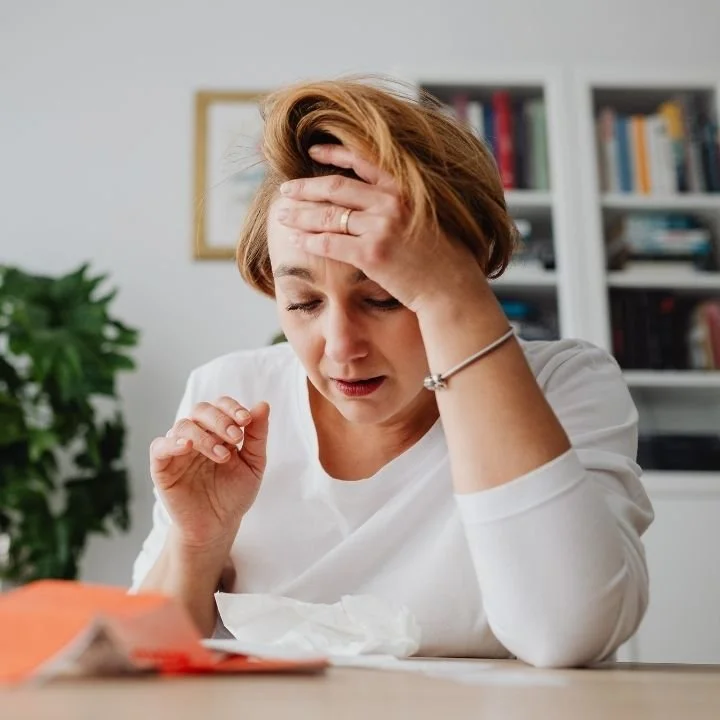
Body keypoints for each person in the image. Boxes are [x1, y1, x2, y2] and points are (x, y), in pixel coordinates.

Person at [131, 77, 654, 668]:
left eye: (383, 298)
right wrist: (198, 543)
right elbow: (147, 658)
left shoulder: (565, 385)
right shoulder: (232, 391)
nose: (341, 347)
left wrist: (455, 296)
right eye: (302, 303)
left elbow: (567, 633)